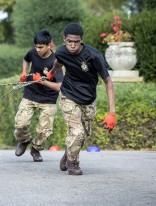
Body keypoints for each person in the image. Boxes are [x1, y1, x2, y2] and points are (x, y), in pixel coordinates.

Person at [46, 22, 116, 175]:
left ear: (81, 40)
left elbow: (108, 82)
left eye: (76, 42)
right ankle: (73, 164)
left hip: (88, 100)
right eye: (69, 41)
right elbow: (58, 61)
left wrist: (112, 113)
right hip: (68, 95)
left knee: (83, 136)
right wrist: (51, 72)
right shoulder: (61, 51)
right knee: (77, 133)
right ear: (64, 39)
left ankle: (68, 152)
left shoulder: (93, 56)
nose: (72, 45)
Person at [14, 30, 63, 162]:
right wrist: (24, 72)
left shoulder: (56, 61)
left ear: (49, 45)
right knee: (20, 124)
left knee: (44, 131)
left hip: (48, 99)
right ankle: (24, 141)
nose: (37, 49)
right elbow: (26, 59)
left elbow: (59, 86)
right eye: (36, 46)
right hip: (30, 94)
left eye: (40, 47)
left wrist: (43, 81)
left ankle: (35, 149)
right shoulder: (32, 52)